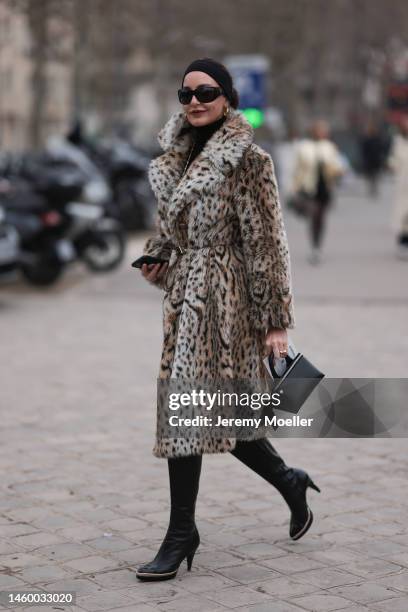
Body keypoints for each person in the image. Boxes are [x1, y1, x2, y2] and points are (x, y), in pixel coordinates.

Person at [136, 58, 320, 581]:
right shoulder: (177, 155)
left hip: (231, 301)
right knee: (204, 413)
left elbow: (266, 245)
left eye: (207, 91)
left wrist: (276, 322)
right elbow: (171, 227)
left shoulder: (248, 159)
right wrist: (157, 256)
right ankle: (285, 483)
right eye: (186, 92)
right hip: (184, 297)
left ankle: (181, 534)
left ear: (227, 96)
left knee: (207, 414)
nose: (195, 101)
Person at [291, 120, 344, 265]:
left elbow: (337, 165)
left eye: (324, 131)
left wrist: (337, 171)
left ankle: (318, 245)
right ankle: (314, 246)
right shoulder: (304, 147)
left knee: (321, 217)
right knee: (314, 215)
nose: (322, 133)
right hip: (309, 188)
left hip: (324, 188)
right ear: (313, 131)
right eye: (320, 130)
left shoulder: (330, 147)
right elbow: (297, 169)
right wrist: (294, 188)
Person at [387, 115, 408, 259]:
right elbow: (393, 159)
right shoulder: (398, 142)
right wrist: (392, 166)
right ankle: (402, 242)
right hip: (403, 183)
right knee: (402, 214)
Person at [359, 120, 387, 198]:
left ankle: (374, 188)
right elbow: (363, 150)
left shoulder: (377, 139)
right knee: (370, 176)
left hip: (375, 160)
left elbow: (381, 148)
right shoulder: (366, 139)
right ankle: (372, 188)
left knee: (375, 175)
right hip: (369, 160)